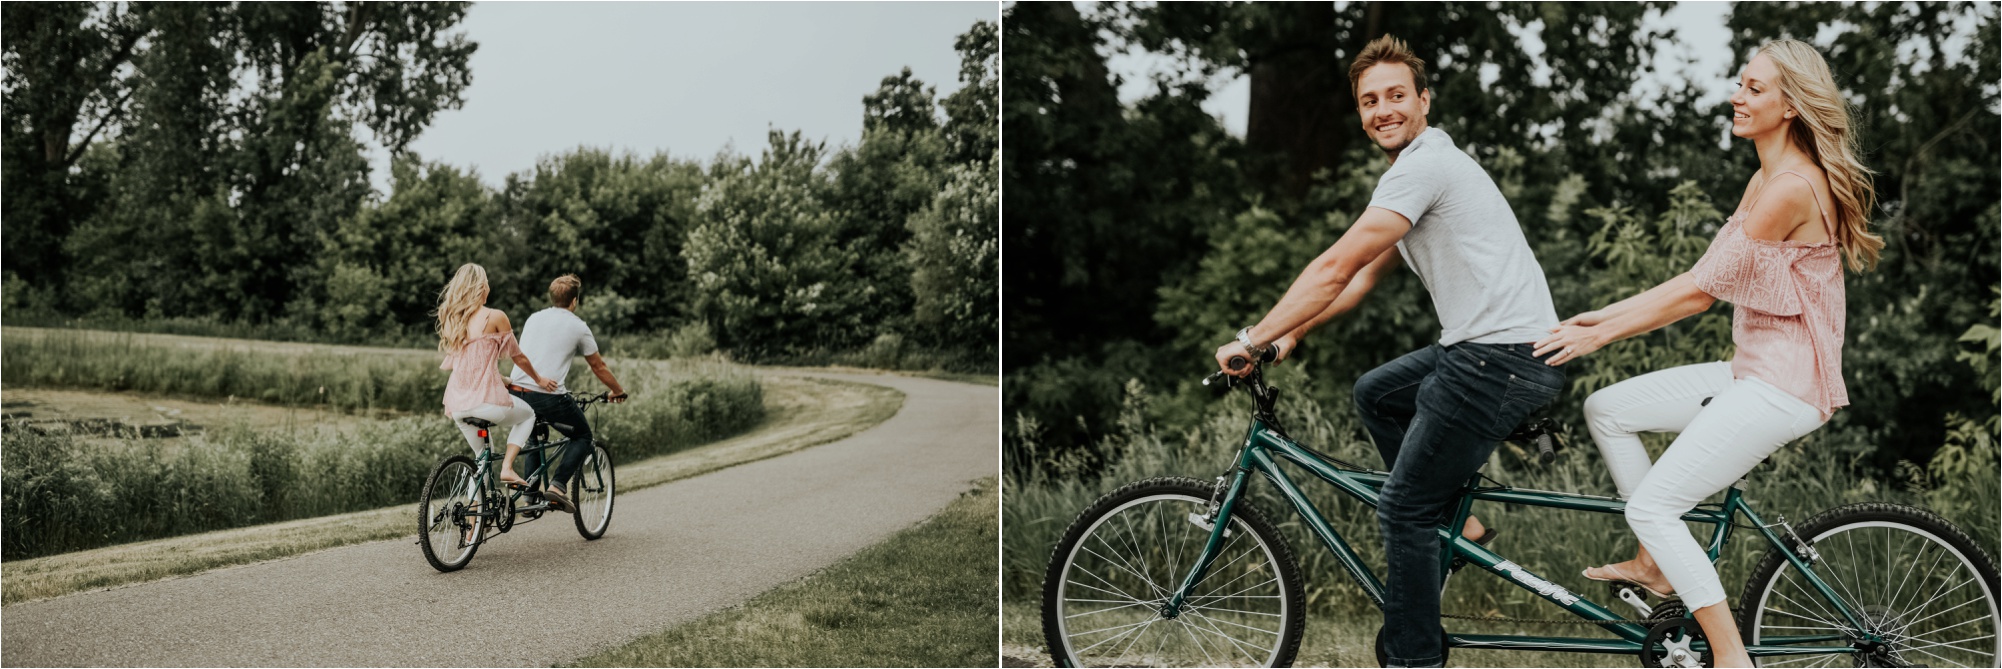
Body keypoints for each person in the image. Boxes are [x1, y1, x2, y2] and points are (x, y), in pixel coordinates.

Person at [1213, 35, 1566, 667]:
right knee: (1376, 392)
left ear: (1424, 100)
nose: (1383, 110)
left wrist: (1252, 336)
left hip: (1497, 358)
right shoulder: (1413, 171)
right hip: (1495, 351)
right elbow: (1359, 277)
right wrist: (1292, 333)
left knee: (1403, 510)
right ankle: (1463, 527)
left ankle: (1413, 659)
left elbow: (1334, 264)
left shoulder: (1425, 166)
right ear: (1360, 112)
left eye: (1396, 95)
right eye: (1369, 100)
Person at [1532, 40, 1879, 668]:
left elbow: (1696, 297)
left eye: (1754, 88)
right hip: (1753, 370)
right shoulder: (1765, 177)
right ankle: (1656, 564)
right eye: (1739, 84)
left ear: (1792, 105)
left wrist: (1599, 335)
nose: (1736, 97)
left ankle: (1729, 657)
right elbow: (1703, 275)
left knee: (1653, 504)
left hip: (1786, 387)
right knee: (1608, 409)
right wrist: (1600, 318)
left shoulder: (1791, 189)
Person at [437, 263, 562, 516]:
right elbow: (519, 357)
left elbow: (470, 366)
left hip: (458, 405)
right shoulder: (495, 316)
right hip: (486, 403)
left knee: (481, 460)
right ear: (482, 286)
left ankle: (474, 522)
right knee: (528, 414)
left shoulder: (454, 322)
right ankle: (507, 467)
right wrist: (538, 379)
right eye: (487, 282)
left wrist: (502, 379)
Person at [507, 274, 629, 514]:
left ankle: (530, 498)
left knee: (533, 439)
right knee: (583, 436)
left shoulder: (534, 318)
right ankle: (558, 486)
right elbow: (598, 366)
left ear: (552, 298)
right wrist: (617, 390)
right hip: (547, 395)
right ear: (574, 301)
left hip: (518, 391)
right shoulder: (578, 326)